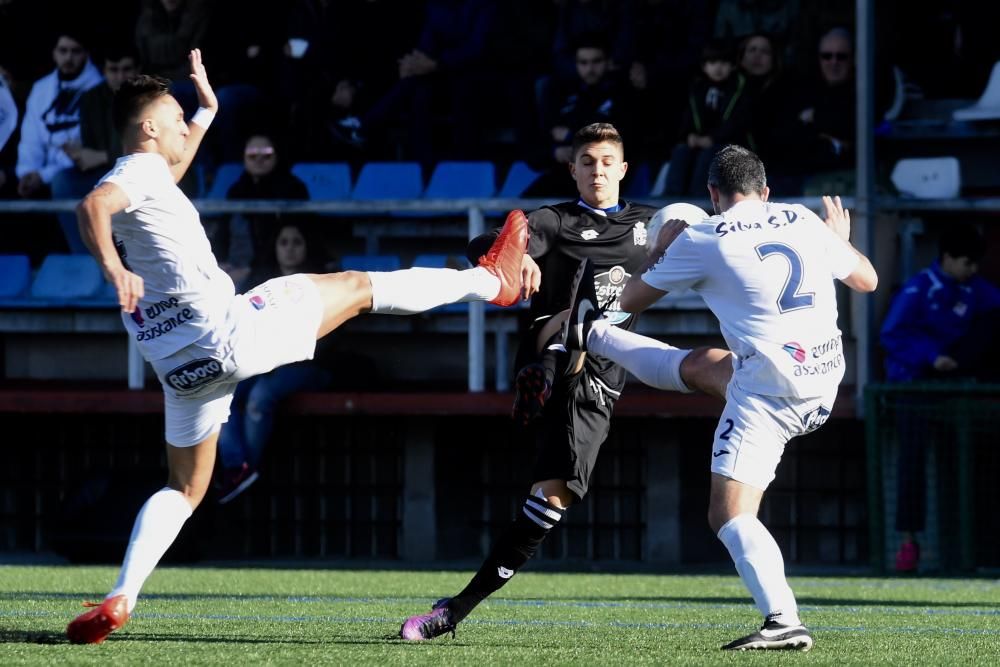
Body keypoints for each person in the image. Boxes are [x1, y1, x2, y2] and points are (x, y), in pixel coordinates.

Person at [64, 50, 529, 644]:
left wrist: (207, 112)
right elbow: (91, 206)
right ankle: (491, 281)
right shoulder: (129, 179)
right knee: (357, 288)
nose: (184, 124)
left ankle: (120, 597)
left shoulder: (148, 178)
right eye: (176, 116)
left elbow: (158, 177)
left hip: (180, 369)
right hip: (228, 334)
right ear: (148, 128)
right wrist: (112, 269)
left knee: (184, 488)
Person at [398, 122, 728, 641]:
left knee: (550, 500)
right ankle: (543, 375)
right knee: (565, 325)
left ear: (623, 169)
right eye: (587, 161)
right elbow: (482, 242)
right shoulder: (555, 220)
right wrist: (519, 254)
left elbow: (721, 248)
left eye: (606, 162)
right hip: (557, 348)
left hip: (605, 371)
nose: (597, 170)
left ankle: (455, 609)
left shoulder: (655, 223)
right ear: (572, 169)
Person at [559, 144, 877, 651]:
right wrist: (838, 240)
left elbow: (631, 298)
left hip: (771, 394)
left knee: (728, 514)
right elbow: (867, 279)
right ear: (765, 191)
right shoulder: (799, 217)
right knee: (711, 365)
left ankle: (782, 620)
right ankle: (589, 336)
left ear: (712, 195)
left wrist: (659, 252)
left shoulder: (703, 235)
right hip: (824, 377)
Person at [879, 223, 1000, 572]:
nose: (973, 270)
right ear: (946, 258)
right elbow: (892, 336)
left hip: (957, 387)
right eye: (966, 262)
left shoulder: (976, 290)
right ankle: (908, 544)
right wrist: (931, 357)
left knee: (974, 464)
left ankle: (976, 548)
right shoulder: (918, 289)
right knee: (911, 462)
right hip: (913, 386)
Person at [214, 221, 335, 504]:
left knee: (260, 396)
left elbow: (328, 337)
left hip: (311, 364)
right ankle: (237, 468)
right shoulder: (262, 284)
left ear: (307, 246)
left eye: (297, 242)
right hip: (265, 361)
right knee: (221, 395)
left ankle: (246, 471)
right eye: (284, 242)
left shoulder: (323, 281)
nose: (290, 249)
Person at [54, 45, 141, 253]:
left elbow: (144, 152)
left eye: (126, 69)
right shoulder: (91, 98)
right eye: (113, 70)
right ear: (104, 71)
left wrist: (102, 156)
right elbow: (90, 149)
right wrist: (81, 156)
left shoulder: (149, 98)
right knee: (62, 181)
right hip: (105, 173)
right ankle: (88, 255)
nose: (120, 76)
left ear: (139, 69)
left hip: (137, 174)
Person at [16, 31, 103, 200]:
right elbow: (30, 139)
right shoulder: (41, 88)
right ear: (54, 53)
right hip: (37, 174)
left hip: (77, 174)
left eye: (75, 51)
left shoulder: (98, 89)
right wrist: (27, 172)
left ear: (86, 54)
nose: (68, 58)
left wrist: (43, 176)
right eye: (63, 51)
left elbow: (82, 149)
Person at [665, 39, 751, 197]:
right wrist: (689, 135)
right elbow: (689, 117)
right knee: (681, 151)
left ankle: (700, 197)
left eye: (724, 62)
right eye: (712, 62)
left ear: (733, 65)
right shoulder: (698, 88)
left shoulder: (740, 87)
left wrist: (712, 138)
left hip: (730, 143)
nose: (718, 67)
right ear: (704, 66)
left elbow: (738, 121)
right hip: (701, 141)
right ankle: (672, 197)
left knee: (709, 155)